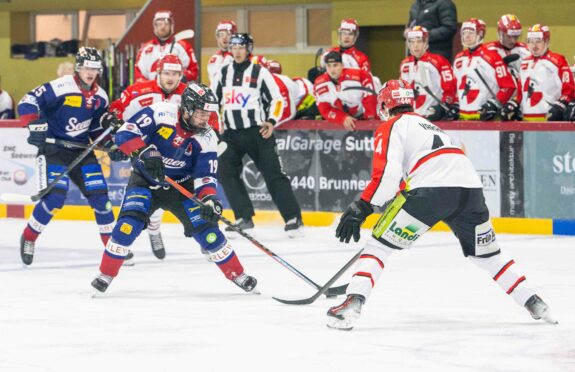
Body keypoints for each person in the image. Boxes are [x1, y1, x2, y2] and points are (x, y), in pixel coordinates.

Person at [326, 79, 557, 331]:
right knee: (489, 256)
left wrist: (362, 206)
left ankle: (352, 302)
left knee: (378, 246)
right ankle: (533, 301)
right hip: (469, 191)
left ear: (385, 104)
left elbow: (387, 176)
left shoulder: (391, 125)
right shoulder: (432, 127)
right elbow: (422, 172)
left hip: (430, 190)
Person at [90, 83, 258, 293]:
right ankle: (105, 275)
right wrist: (143, 152)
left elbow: (205, 175)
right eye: (200, 113)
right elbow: (125, 133)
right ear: (186, 108)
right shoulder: (160, 112)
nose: (204, 119)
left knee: (208, 232)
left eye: (208, 114)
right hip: (145, 182)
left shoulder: (207, 137)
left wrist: (209, 200)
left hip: (182, 189)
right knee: (127, 226)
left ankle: (238, 275)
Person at [17, 47, 123, 266]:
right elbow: (27, 101)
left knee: (102, 200)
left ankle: (113, 249)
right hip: (54, 150)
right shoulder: (61, 86)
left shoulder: (101, 97)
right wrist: (33, 125)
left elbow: (95, 129)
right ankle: (28, 237)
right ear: (78, 67)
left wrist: (110, 144)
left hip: (82, 151)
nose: (90, 72)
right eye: (86, 67)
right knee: (55, 198)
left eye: (94, 68)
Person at [212, 33, 303, 236]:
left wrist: (271, 121)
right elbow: (212, 102)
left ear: (249, 49)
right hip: (231, 134)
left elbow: (277, 99)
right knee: (226, 171)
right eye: (233, 47)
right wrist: (216, 127)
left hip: (257, 132)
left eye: (241, 47)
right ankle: (244, 217)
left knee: (274, 174)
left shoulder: (260, 72)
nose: (236, 51)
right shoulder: (223, 72)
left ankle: (293, 218)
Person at [109, 54, 188, 261]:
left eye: (175, 74)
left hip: (175, 153)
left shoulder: (188, 94)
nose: (171, 78)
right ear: (158, 73)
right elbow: (117, 111)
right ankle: (127, 239)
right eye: (166, 73)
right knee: (139, 193)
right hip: (142, 151)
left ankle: (156, 230)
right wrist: (118, 140)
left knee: (169, 193)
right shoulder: (138, 91)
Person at [452, 18, 516, 120]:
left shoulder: (493, 57)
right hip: (462, 118)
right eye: (464, 32)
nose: (467, 36)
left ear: (480, 34)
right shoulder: (459, 58)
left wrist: (494, 103)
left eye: (471, 32)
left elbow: (508, 86)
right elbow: (455, 87)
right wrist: (455, 103)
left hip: (485, 118)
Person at [399, 26, 458, 121]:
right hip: (410, 119)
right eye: (412, 42)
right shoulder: (404, 64)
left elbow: (450, 89)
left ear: (425, 42)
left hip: (432, 118)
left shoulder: (440, 61)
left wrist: (443, 108)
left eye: (419, 41)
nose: (415, 45)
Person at [519, 24, 574, 122]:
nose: (534, 46)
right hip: (525, 121)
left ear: (547, 41)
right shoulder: (524, 62)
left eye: (538, 41)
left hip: (549, 120)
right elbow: (520, 92)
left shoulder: (558, 60)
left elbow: (569, 89)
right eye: (530, 41)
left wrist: (560, 105)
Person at [314, 51, 377, 130]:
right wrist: (342, 118)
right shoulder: (319, 84)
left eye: (335, 65)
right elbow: (325, 109)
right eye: (328, 66)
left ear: (342, 65)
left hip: (365, 116)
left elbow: (369, 97)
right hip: (345, 119)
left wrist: (370, 119)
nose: (332, 69)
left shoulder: (360, 75)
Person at [485, 15, 530, 121]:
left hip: (519, 103)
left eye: (516, 36)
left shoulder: (526, 50)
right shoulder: (487, 50)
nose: (513, 40)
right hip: (495, 101)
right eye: (509, 36)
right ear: (500, 33)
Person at [135, 10, 198, 83]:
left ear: (171, 25)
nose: (163, 27)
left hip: (177, 92)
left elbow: (194, 72)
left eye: (166, 24)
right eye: (159, 24)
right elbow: (139, 75)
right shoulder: (145, 49)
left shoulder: (183, 46)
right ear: (155, 26)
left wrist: (178, 77)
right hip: (152, 92)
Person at [207, 20, 237, 86]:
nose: (224, 37)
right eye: (221, 34)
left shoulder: (239, 57)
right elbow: (212, 84)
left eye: (228, 34)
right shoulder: (213, 59)